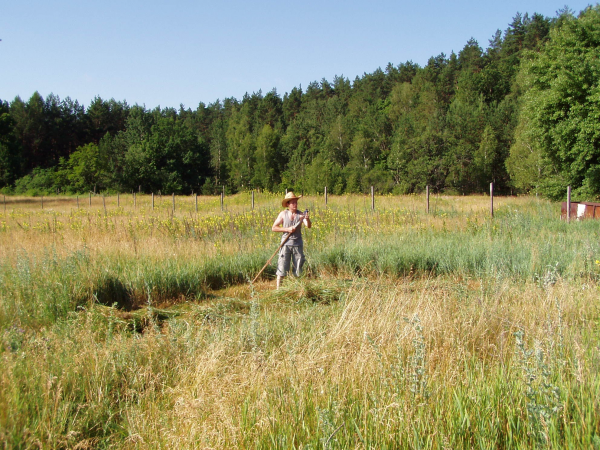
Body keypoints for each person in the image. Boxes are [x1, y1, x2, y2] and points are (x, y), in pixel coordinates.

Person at [271, 191, 312, 289]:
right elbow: (274, 228)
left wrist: (307, 218)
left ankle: (297, 289)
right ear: (288, 204)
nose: (295, 204)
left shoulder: (301, 215)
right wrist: (287, 229)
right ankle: (278, 290)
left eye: (296, 202)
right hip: (285, 244)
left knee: (298, 269)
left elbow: (308, 226)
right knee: (282, 268)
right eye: (293, 203)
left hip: (297, 244)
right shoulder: (283, 214)